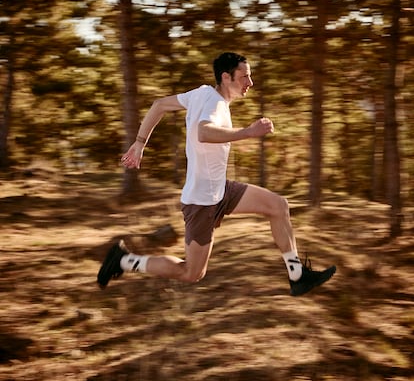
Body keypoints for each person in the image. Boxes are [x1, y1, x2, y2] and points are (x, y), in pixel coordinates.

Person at [97, 52, 336, 296]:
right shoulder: (215, 103)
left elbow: (159, 105)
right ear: (226, 77)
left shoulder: (200, 93)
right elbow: (204, 132)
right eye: (244, 77)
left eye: (250, 77)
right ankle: (124, 261)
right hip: (201, 202)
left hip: (221, 190)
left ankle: (297, 275)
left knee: (278, 206)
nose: (250, 83)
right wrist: (247, 132)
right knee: (191, 273)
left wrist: (139, 143)